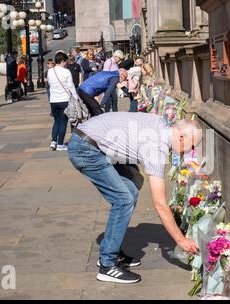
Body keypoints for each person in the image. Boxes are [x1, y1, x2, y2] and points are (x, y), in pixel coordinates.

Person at [68, 113, 202, 284]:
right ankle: (107, 265)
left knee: (130, 192)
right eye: (191, 146)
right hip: (86, 149)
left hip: (94, 141)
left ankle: (111, 249)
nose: (190, 151)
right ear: (181, 137)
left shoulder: (162, 124)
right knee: (123, 199)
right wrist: (181, 240)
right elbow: (159, 203)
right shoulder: (157, 147)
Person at [47, 52, 78, 151]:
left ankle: (53, 141)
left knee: (56, 121)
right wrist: (76, 98)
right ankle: (60, 144)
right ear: (63, 61)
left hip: (53, 100)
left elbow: (50, 84)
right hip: (64, 99)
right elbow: (71, 86)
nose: (66, 64)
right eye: (65, 62)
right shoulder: (66, 72)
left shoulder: (50, 71)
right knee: (63, 122)